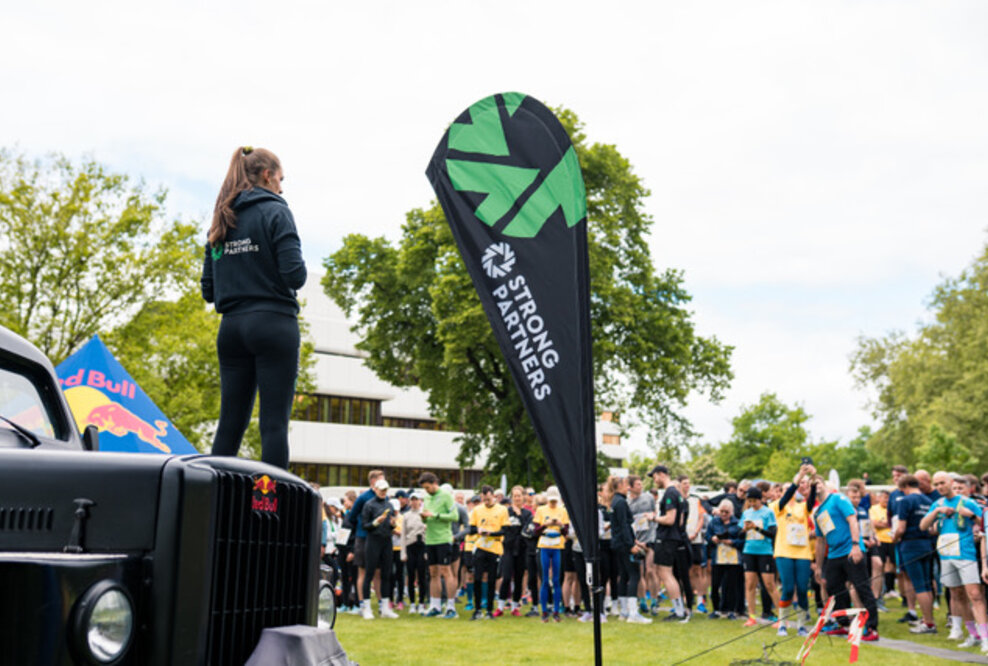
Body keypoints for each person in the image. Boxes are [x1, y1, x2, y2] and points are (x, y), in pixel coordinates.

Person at [202, 146, 306, 470]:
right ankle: (269, 498)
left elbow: (208, 290)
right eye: (281, 179)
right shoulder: (276, 212)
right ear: (267, 175)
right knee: (273, 425)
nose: (281, 188)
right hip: (273, 324)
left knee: (229, 424)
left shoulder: (221, 217)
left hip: (231, 329)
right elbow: (296, 275)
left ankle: (214, 494)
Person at [922, 472, 988, 652]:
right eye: (936, 484)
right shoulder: (937, 504)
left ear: (950, 482)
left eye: (942, 483)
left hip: (966, 554)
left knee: (975, 595)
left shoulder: (968, 502)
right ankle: (973, 635)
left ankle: (985, 637)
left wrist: (971, 516)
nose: (940, 487)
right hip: (946, 555)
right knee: (957, 595)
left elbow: (984, 524)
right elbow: (923, 526)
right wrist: (936, 512)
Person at [812, 476, 879, 641]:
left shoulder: (838, 499)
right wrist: (819, 566)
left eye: (817, 482)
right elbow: (820, 541)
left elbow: (852, 520)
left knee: (862, 588)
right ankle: (844, 624)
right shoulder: (818, 512)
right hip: (834, 555)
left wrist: (856, 545)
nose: (815, 486)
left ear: (824, 485)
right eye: (812, 485)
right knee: (833, 589)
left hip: (851, 550)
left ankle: (871, 628)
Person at [770, 465, 815, 636]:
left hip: (803, 553)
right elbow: (785, 498)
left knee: (802, 589)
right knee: (788, 588)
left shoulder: (802, 507)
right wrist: (798, 478)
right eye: (787, 489)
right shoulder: (777, 506)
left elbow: (811, 501)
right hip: (784, 552)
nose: (791, 491)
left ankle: (801, 625)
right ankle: (783, 624)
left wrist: (813, 479)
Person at [894, 474, 936, 634]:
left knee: (919, 586)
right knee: (926, 584)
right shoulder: (928, 501)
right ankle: (927, 619)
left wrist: (894, 538)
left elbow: (901, 528)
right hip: (926, 544)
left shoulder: (905, 501)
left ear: (905, 487)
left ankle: (929, 624)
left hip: (910, 545)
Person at [419, 472, 459, 618]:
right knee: (433, 572)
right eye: (424, 488)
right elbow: (426, 517)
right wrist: (423, 518)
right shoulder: (426, 497)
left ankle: (451, 608)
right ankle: (435, 606)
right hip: (430, 539)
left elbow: (455, 516)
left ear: (434, 483)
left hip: (443, 539)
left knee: (446, 571)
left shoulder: (446, 496)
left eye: (428, 487)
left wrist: (435, 515)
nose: (426, 491)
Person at [649, 465, 687, 621]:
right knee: (664, 572)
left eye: (654, 477)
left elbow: (671, 519)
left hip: (667, 538)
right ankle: (679, 609)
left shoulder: (670, 493)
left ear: (661, 474)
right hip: (672, 537)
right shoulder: (677, 493)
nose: (654, 481)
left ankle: (679, 611)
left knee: (665, 573)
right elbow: (680, 520)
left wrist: (653, 518)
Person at [740, 487, 781, 628]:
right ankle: (752, 617)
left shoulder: (768, 512)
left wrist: (756, 528)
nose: (752, 504)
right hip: (749, 551)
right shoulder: (746, 513)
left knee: (769, 585)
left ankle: (782, 617)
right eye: (749, 501)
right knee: (750, 584)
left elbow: (773, 534)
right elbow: (740, 535)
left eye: (754, 501)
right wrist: (745, 529)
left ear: (760, 499)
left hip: (765, 552)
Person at [359, 478, 400, 619]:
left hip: (387, 541)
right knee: (369, 573)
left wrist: (392, 524)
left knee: (387, 574)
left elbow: (390, 526)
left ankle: (385, 608)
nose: (383, 492)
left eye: (385, 490)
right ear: (375, 489)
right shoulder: (369, 505)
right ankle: (367, 608)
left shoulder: (389, 504)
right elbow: (365, 525)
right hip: (373, 541)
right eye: (381, 490)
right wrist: (376, 522)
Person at [469, 485, 509, 620]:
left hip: (495, 548)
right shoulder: (477, 510)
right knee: (477, 578)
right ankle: (477, 609)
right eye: (484, 499)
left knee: (492, 579)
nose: (486, 502)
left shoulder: (502, 510)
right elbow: (471, 528)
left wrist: (491, 533)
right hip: (480, 547)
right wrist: (479, 530)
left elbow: (505, 530)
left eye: (488, 499)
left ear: (493, 496)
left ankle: (489, 610)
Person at [533, 485, 570, 622]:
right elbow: (535, 531)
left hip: (557, 546)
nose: (553, 503)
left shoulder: (562, 511)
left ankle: (556, 611)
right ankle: (544, 611)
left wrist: (560, 525)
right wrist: (546, 524)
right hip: (544, 545)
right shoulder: (541, 510)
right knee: (544, 579)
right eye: (551, 500)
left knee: (556, 579)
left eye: (555, 500)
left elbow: (566, 531)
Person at [498, 485, 533, 617]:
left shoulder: (527, 513)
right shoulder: (506, 512)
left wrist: (519, 515)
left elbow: (527, 529)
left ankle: (514, 606)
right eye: (515, 496)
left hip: (522, 549)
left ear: (523, 497)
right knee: (506, 577)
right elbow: (502, 529)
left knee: (519, 579)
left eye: (519, 496)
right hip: (508, 548)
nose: (517, 498)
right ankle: (500, 607)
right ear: (511, 497)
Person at [707, 499, 744, 619]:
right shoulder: (714, 522)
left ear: (731, 512)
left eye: (726, 512)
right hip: (718, 557)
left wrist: (732, 542)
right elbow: (707, 536)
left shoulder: (738, 523)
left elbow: (743, 540)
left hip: (733, 558)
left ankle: (731, 610)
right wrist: (712, 539)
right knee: (715, 585)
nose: (723, 514)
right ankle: (716, 609)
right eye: (722, 511)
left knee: (731, 586)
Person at [400, 490, 428, 615]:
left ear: (420, 501)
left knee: (422, 576)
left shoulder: (424, 513)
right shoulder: (406, 516)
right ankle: (412, 603)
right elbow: (403, 534)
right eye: (412, 500)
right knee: (410, 575)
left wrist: (427, 551)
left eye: (417, 499)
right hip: (410, 546)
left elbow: (428, 532)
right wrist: (403, 552)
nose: (414, 502)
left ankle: (421, 603)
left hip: (422, 545)